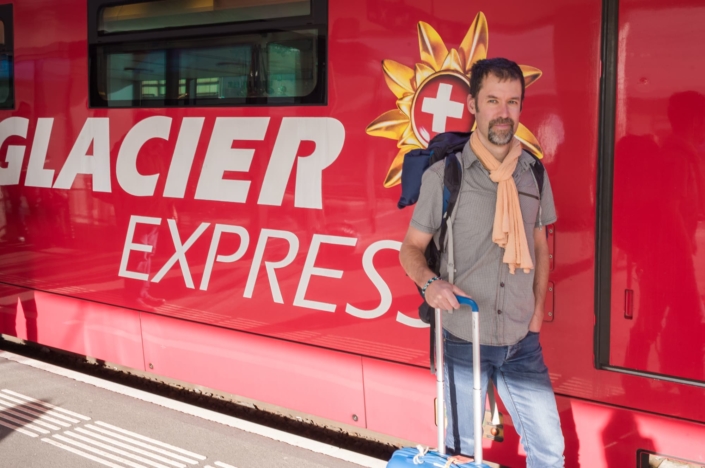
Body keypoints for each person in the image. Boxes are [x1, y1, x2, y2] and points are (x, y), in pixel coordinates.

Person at [399, 57, 565, 467]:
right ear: (473, 104)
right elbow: (410, 249)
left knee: (550, 452)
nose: (503, 112)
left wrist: (538, 313)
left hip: (522, 342)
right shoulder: (446, 175)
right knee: (461, 455)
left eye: (512, 102)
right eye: (493, 100)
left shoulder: (533, 175)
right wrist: (429, 283)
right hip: (464, 338)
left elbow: (541, 246)